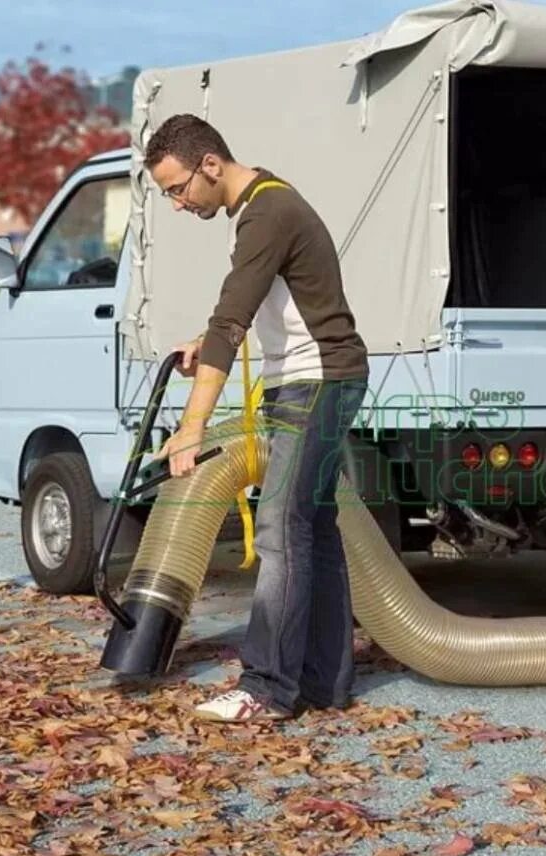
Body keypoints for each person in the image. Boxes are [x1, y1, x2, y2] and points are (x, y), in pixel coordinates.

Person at [146, 114, 370, 724]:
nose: (177, 203)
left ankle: (267, 688)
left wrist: (191, 429)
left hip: (318, 380)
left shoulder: (268, 211)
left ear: (210, 165)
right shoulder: (260, 209)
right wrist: (204, 337)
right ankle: (324, 682)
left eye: (177, 188)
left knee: (278, 529)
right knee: (311, 531)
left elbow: (231, 324)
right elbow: (244, 306)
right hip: (311, 379)